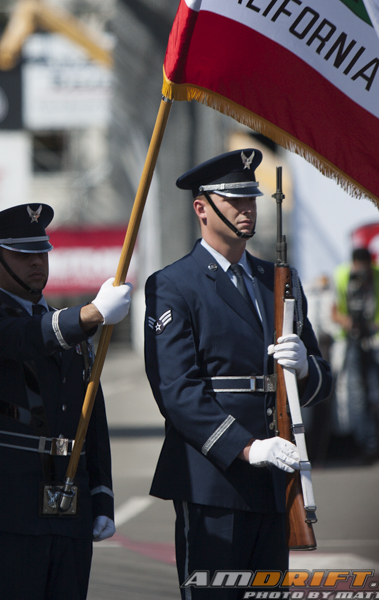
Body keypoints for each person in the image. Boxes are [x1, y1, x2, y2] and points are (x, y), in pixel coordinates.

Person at [143, 149, 332, 600]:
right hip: (213, 477)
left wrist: (305, 368)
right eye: (233, 200)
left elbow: (323, 377)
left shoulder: (278, 279)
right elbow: (177, 391)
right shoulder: (175, 284)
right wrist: (246, 447)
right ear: (202, 207)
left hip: (275, 479)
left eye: (251, 198)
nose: (247, 209)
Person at [0, 203, 132, 600]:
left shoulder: (69, 329)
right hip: (8, 500)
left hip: (69, 501)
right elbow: (20, 337)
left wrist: (101, 496)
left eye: (41, 252)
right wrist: (88, 315)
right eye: (22, 254)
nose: (36, 262)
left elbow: (92, 420)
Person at [331, 247, 379, 460]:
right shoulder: (342, 276)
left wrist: (376, 327)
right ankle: (366, 445)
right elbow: (335, 312)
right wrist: (349, 322)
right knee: (358, 395)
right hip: (353, 342)